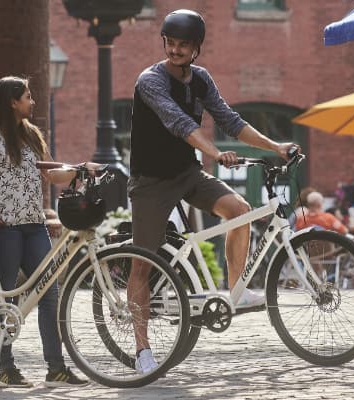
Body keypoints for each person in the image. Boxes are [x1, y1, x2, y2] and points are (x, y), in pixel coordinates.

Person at [126, 9, 298, 373]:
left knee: (239, 210)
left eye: (182, 45)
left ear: (196, 49)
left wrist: (276, 148)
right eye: (169, 43)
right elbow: (179, 123)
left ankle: (236, 289)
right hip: (151, 182)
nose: (174, 50)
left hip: (188, 173)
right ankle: (142, 351)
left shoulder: (200, 79)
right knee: (143, 264)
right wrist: (217, 154)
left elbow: (231, 121)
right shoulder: (149, 81)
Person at [0, 76, 88, 388]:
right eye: (27, 96)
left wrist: (79, 168)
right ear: (12, 102)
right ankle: (7, 369)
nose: (32, 101)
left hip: (34, 226)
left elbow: (48, 173)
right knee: (5, 300)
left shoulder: (31, 135)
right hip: (4, 228)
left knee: (49, 294)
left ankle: (56, 369)